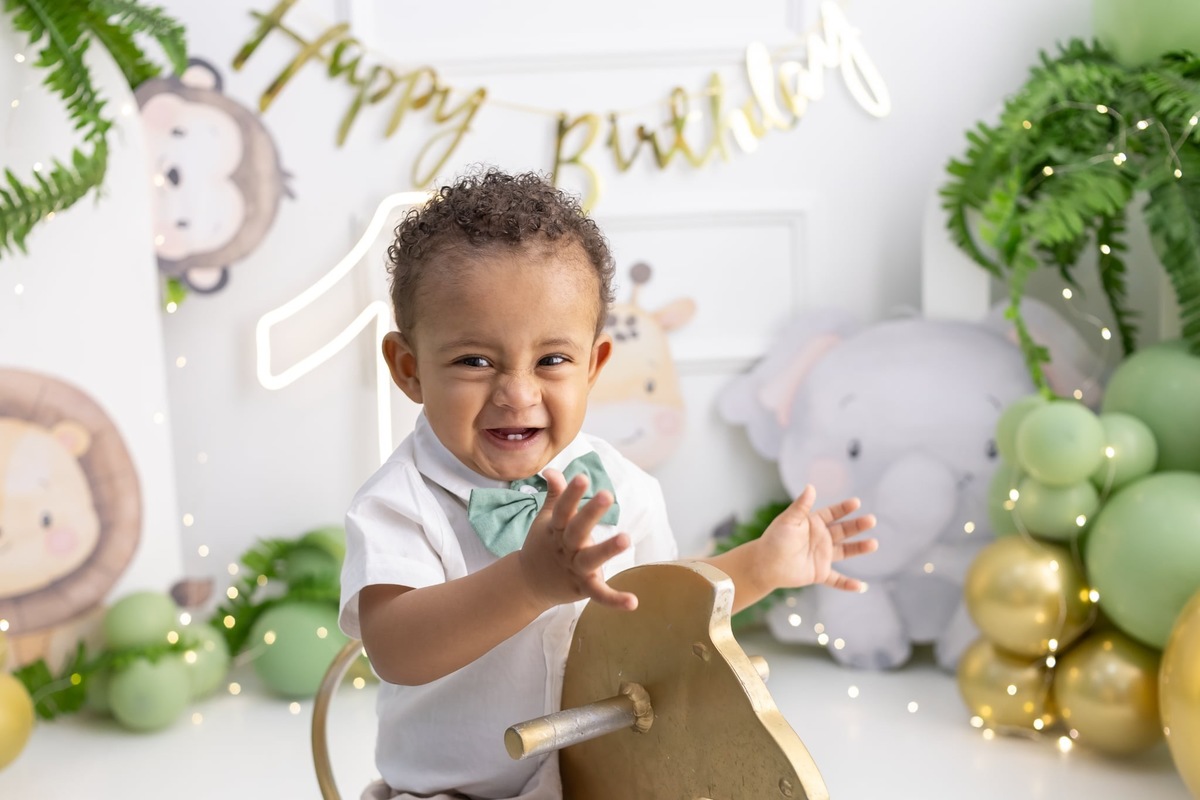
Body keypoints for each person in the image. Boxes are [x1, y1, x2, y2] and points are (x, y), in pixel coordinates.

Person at [338, 168, 878, 800]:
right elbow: (395, 649)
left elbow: (660, 621)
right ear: (410, 369)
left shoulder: (621, 486)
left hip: (601, 779)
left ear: (593, 365)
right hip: (448, 791)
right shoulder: (399, 503)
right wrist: (526, 581)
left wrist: (761, 565)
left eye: (552, 360)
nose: (517, 393)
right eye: (474, 361)